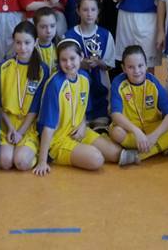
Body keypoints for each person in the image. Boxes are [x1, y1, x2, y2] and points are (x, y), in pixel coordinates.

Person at [33, 39, 122, 175]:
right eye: (63, 60)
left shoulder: (85, 78)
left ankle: (81, 149)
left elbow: (83, 111)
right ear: (59, 61)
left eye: (72, 58)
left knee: (116, 153)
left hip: (79, 132)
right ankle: (58, 155)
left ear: (81, 57)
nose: (68, 64)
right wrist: (42, 161)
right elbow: (48, 126)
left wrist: (82, 125)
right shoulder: (55, 84)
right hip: (58, 140)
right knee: (96, 159)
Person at [109, 45, 168, 165]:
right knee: (116, 132)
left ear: (146, 65)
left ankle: (140, 155)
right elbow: (116, 115)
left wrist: (155, 135)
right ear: (124, 68)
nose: (137, 71)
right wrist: (136, 131)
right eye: (131, 67)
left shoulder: (153, 82)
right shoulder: (118, 83)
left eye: (140, 66)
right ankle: (165, 146)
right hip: (131, 130)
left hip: (152, 127)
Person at [0, 21, 50, 171]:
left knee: (21, 162)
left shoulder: (42, 69)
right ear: (13, 43)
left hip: (28, 125)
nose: (22, 48)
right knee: (5, 162)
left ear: (35, 42)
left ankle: (32, 150)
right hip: (7, 123)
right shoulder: (4, 66)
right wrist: (10, 129)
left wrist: (20, 132)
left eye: (27, 43)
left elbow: (35, 107)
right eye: (18, 43)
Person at [64, 0, 115, 127]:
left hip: (100, 91)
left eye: (93, 9)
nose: (89, 14)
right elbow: (63, 65)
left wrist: (98, 63)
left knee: (100, 128)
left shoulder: (105, 35)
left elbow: (109, 65)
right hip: (76, 91)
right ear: (78, 11)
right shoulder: (69, 35)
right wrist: (80, 65)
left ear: (98, 11)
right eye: (85, 10)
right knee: (80, 130)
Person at [33, 7, 60, 71]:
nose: (49, 31)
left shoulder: (61, 47)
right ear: (35, 26)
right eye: (43, 27)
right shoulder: (30, 48)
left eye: (52, 26)